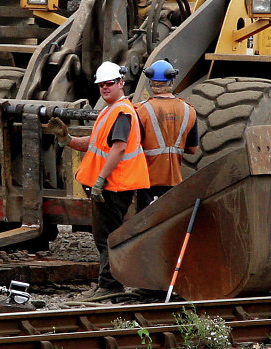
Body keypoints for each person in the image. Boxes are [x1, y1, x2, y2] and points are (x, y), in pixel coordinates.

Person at [46, 61, 149, 300]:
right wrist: (68, 139)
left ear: (121, 83)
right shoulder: (110, 110)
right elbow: (96, 144)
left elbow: (119, 148)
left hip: (114, 186)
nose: (105, 88)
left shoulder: (122, 112)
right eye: (101, 84)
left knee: (107, 237)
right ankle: (108, 282)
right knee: (104, 236)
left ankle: (110, 285)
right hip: (110, 186)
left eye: (109, 83)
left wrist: (101, 180)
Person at [134, 60, 199, 212]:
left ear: (151, 82)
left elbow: (132, 146)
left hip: (147, 181)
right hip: (174, 181)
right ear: (172, 80)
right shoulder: (189, 111)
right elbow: (192, 149)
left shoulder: (141, 110)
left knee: (145, 224)